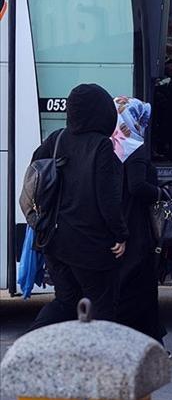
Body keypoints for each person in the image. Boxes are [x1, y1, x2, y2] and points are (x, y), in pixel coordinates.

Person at [28, 84, 128, 331]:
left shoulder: (57, 138)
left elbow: (36, 174)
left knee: (65, 301)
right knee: (103, 306)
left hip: (54, 239)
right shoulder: (102, 146)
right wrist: (120, 234)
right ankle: (104, 362)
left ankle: (28, 343)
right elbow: (107, 198)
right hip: (89, 243)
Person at [112, 97, 166, 344]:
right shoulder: (134, 147)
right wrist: (159, 192)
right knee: (140, 286)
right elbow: (137, 187)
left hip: (118, 221)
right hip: (136, 226)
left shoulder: (112, 145)